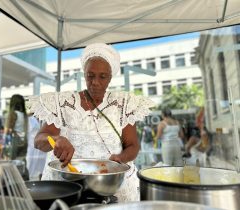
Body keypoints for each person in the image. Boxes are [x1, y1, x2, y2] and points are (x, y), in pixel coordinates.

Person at [27, 43, 155, 202]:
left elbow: (133, 146)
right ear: (84, 74)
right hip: (68, 186)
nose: (95, 82)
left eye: (103, 76)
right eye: (90, 75)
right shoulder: (62, 103)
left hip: (112, 185)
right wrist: (56, 140)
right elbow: (39, 141)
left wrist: (121, 158)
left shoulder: (123, 104)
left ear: (110, 77)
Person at [3, 94, 28, 160]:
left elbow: (6, 131)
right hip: (23, 142)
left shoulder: (13, 114)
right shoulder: (25, 116)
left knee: (10, 164)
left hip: (13, 143)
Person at [26, 115, 47, 180]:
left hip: (44, 153)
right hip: (32, 150)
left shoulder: (46, 119)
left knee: (43, 172)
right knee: (31, 172)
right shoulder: (29, 120)